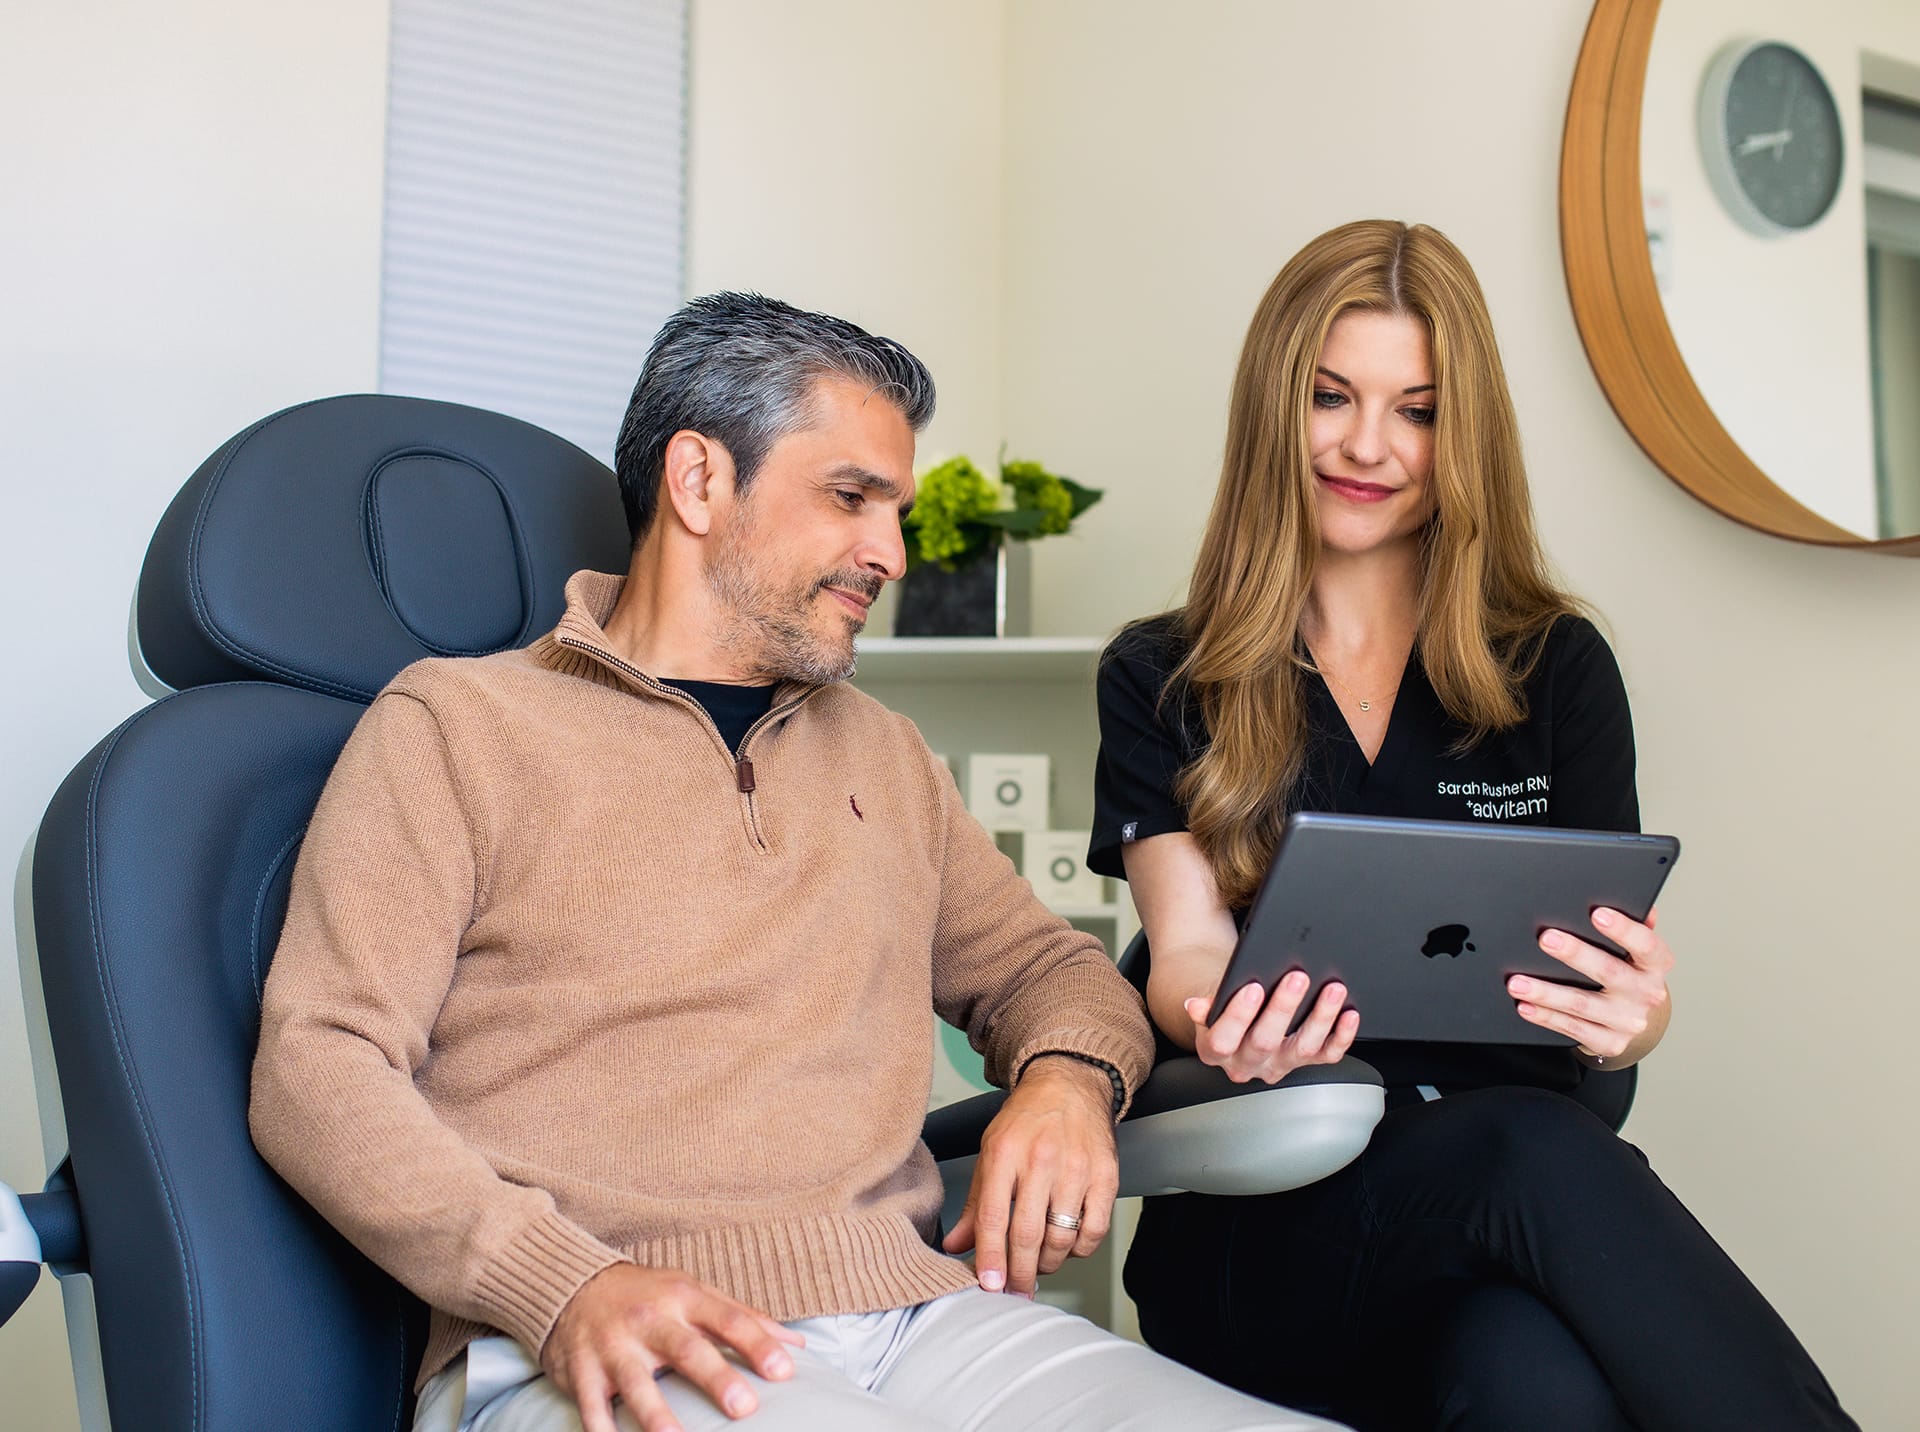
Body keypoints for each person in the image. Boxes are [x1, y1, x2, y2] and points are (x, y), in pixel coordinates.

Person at [250, 292, 1345, 1432]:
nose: (894, 552)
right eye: (851, 497)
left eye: (898, 509)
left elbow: (1051, 974)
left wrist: (1069, 1079)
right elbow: (319, 1065)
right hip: (598, 1342)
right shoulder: (457, 726)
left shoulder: (883, 751)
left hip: (920, 1319)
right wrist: (551, 1281)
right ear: (700, 481)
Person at [1090, 222, 1857, 1432]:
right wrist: (1227, 1018)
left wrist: (1635, 1019)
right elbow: (1181, 948)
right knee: (1536, 1153)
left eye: (1419, 410)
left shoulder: (1554, 667)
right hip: (1274, 1218)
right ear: (1273, 406)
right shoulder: (1162, 673)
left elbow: (1615, 974)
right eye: (1331, 397)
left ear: (1467, 434)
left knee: (1533, 1382)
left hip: (1496, 1232)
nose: (1366, 445)